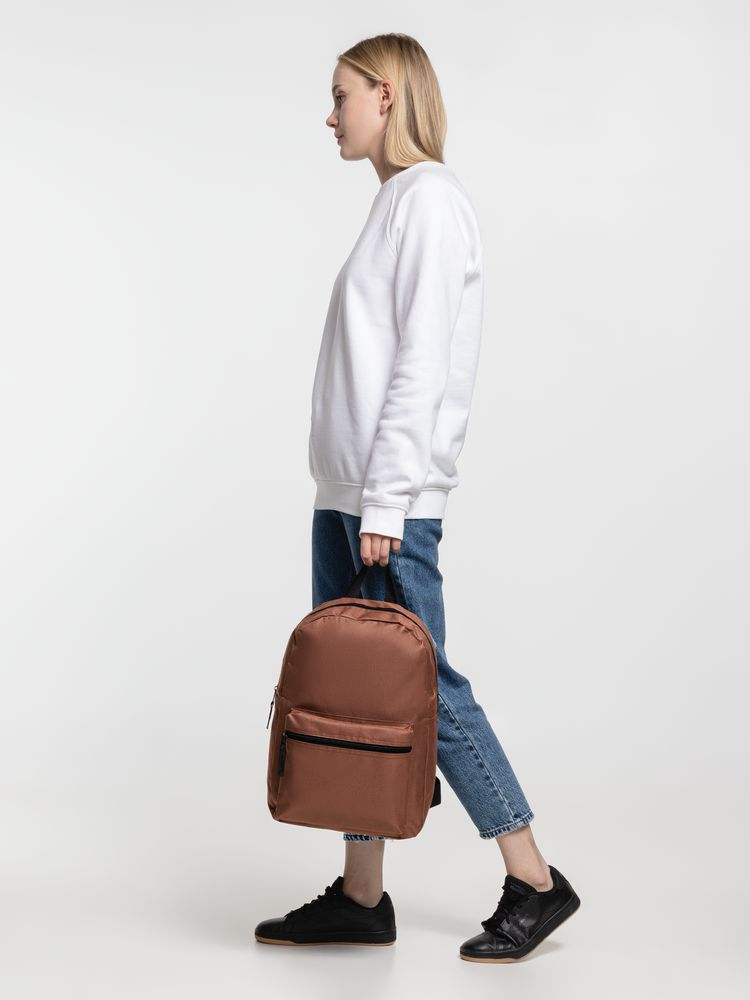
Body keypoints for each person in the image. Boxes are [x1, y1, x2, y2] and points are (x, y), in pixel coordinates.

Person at [255, 32, 580, 962]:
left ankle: (535, 879)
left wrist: (388, 503)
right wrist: (353, 495)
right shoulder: (394, 204)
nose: (330, 115)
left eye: (341, 95)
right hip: (350, 495)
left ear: (387, 95)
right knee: (357, 693)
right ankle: (363, 896)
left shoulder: (430, 200)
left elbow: (421, 365)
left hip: (383, 503)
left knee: (422, 686)